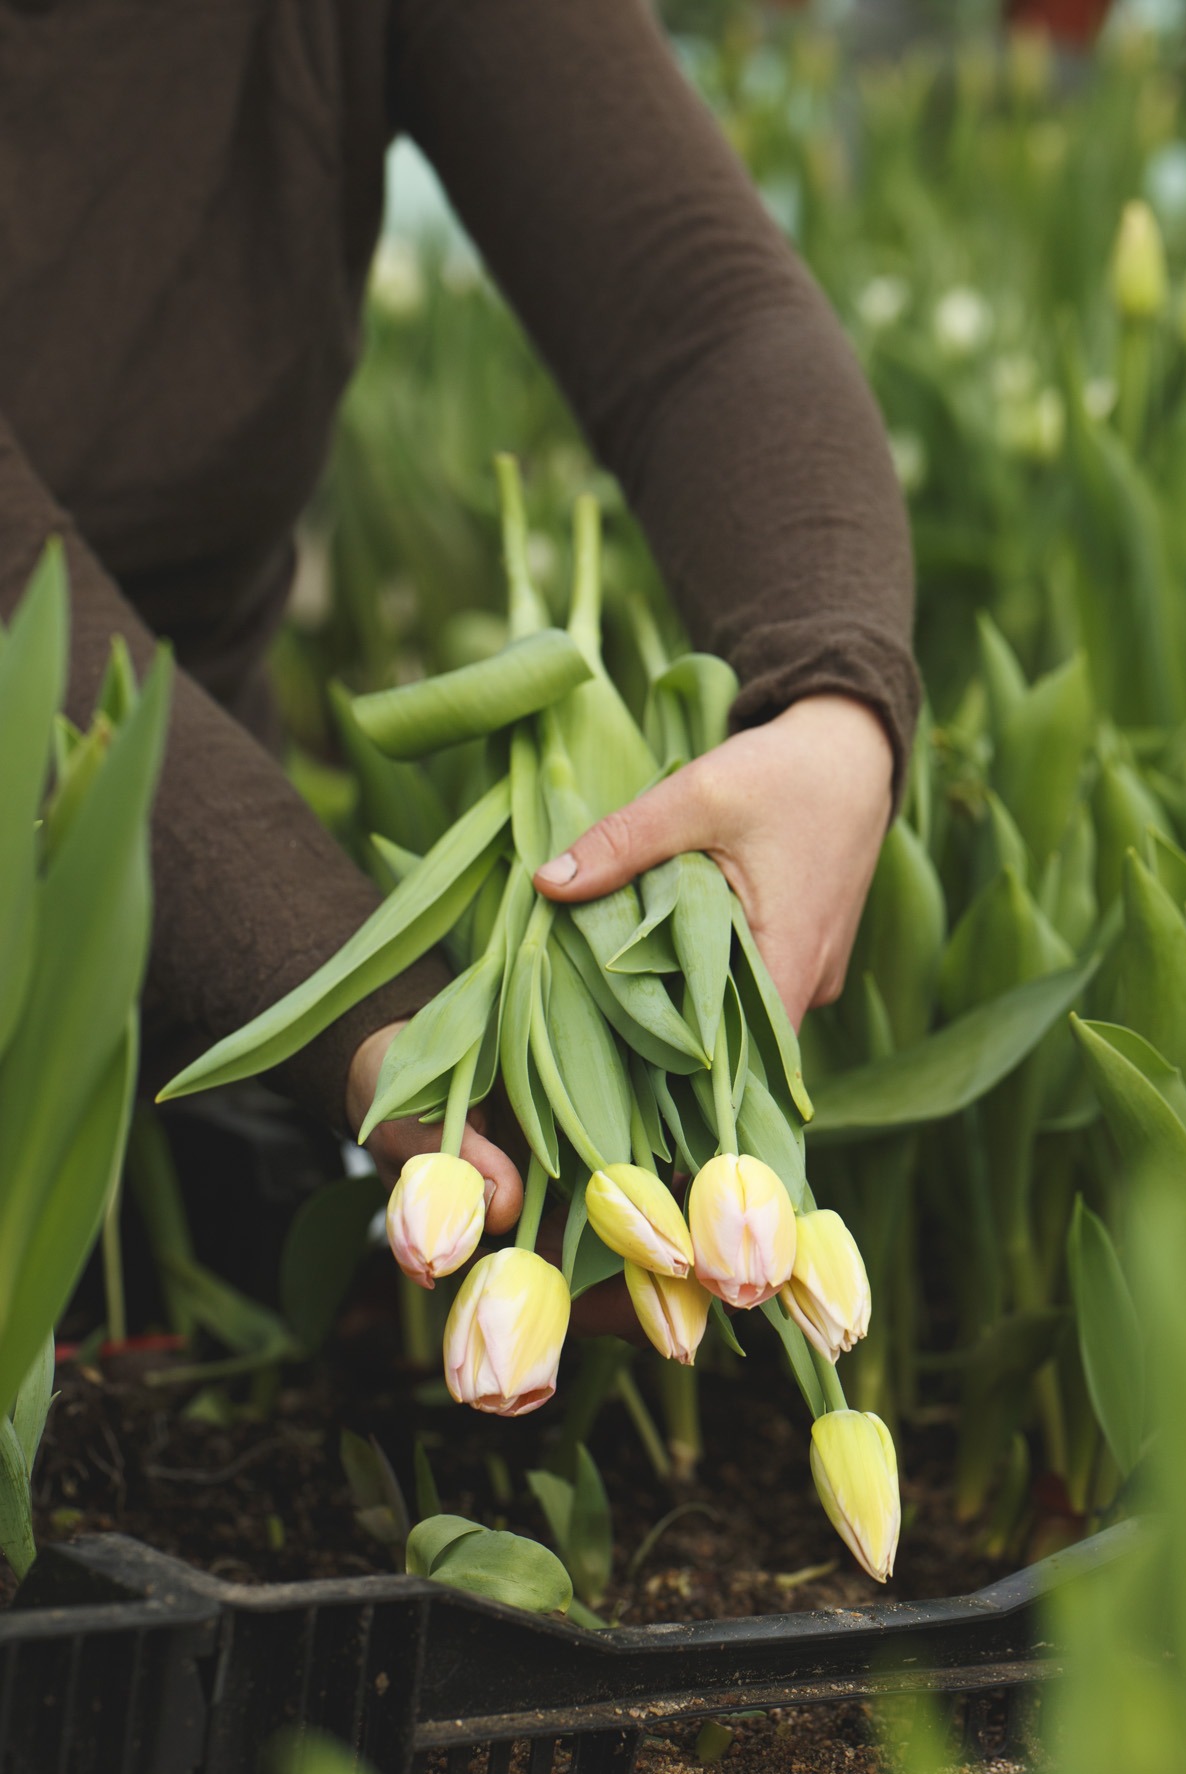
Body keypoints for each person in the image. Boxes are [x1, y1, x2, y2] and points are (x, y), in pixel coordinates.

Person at [0, 0, 919, 1228]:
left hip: (176, 1008)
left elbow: (700, 320)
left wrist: (834, 706)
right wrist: (375, 1016)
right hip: (195, 910)